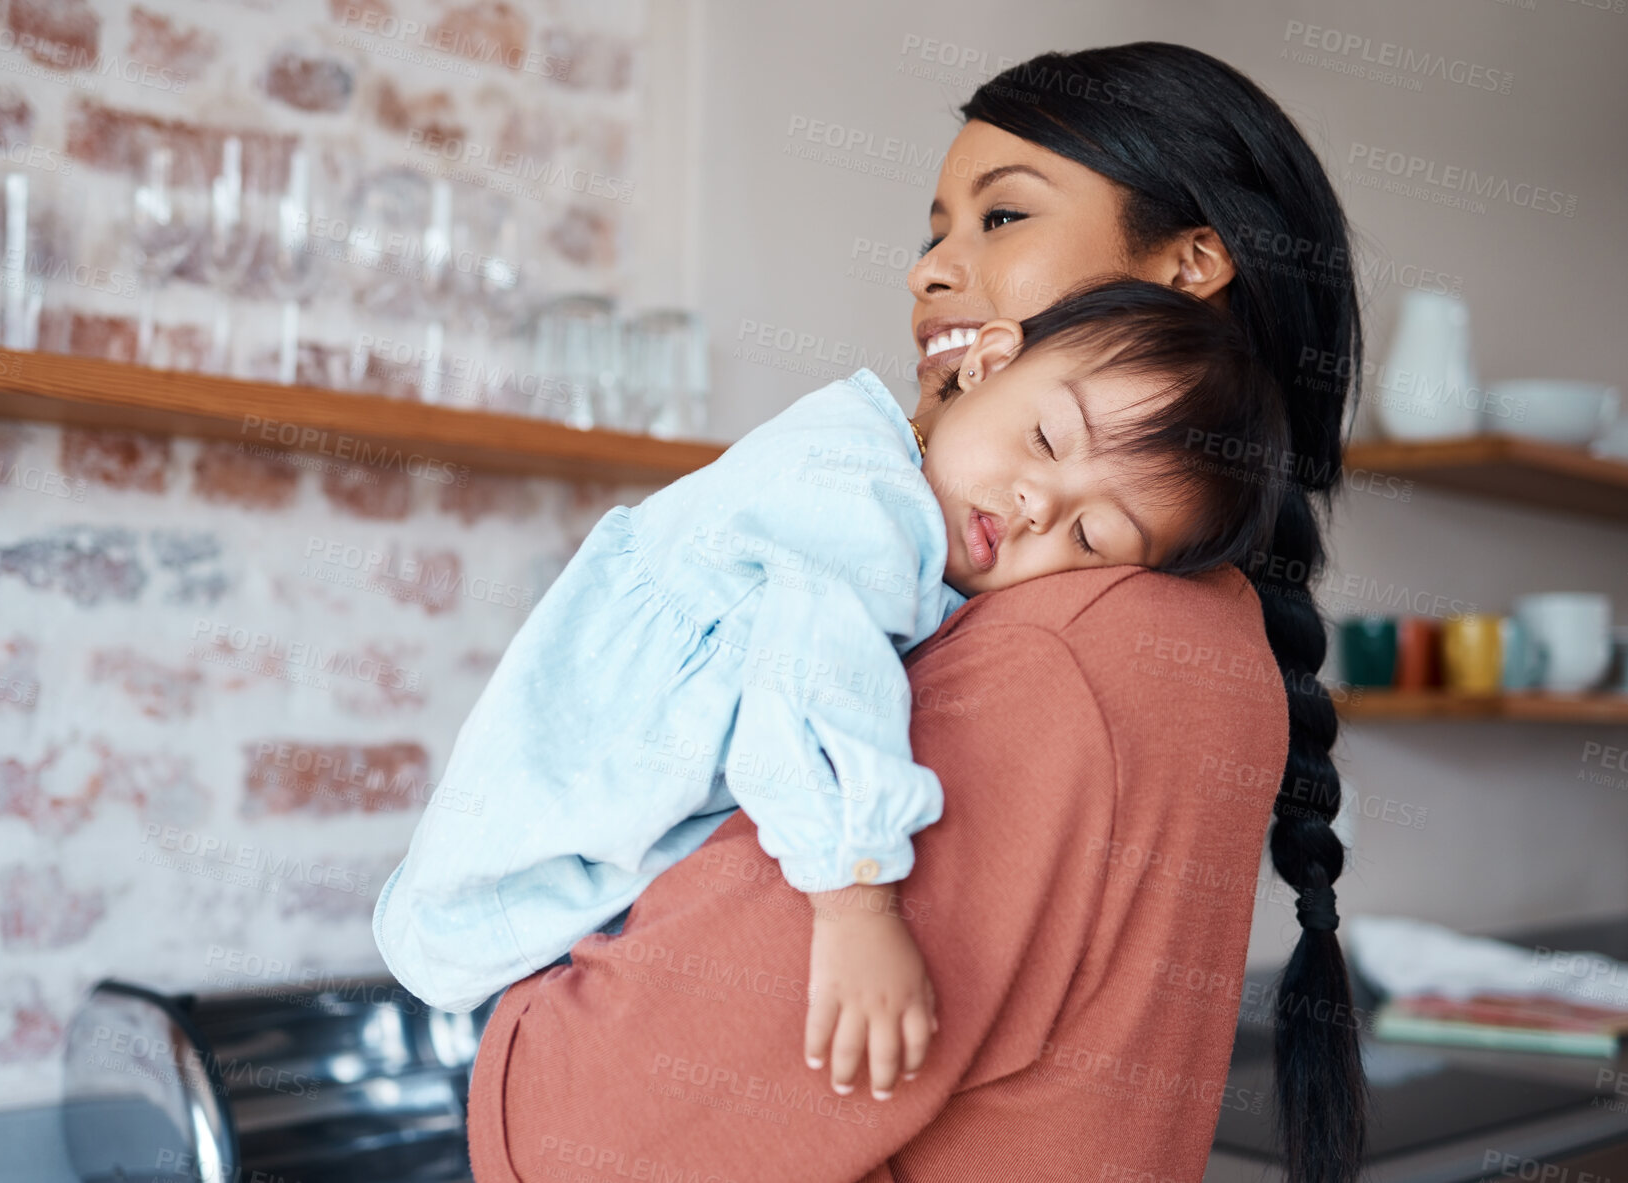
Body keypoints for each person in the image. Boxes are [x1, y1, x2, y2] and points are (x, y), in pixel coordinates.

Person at [462, 42, 1368, 1183]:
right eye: (935, 229)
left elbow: (587, 1138)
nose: (931, 271)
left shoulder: (1066, 649)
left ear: (1191, 266)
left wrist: (524, 1028)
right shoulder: (1176, 618)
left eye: (1003, 220)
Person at [375, 276, 1289, 1096]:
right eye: (1046, 439)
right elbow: (817, 687)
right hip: (538, 856)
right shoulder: (867, 504)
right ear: (988, 361)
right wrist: (857, 905)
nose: (1035, 507)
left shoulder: (878, 481)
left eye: (1090, 540)